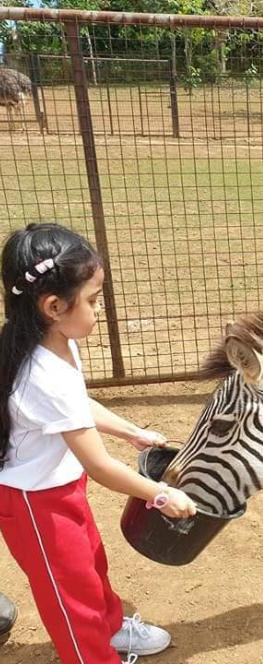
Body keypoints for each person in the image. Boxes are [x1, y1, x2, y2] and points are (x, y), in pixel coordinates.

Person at [0, 223, 198, 663]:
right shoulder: (42, 372)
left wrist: (130, 430)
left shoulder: (57, 341)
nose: (97, 309)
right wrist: (160, 494)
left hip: (60, 489)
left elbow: (76, 404)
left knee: (91, 566)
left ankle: (111, 631)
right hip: (35, 505)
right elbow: (101, 467)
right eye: (92, 300)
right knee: (71, 599)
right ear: (53, 305)